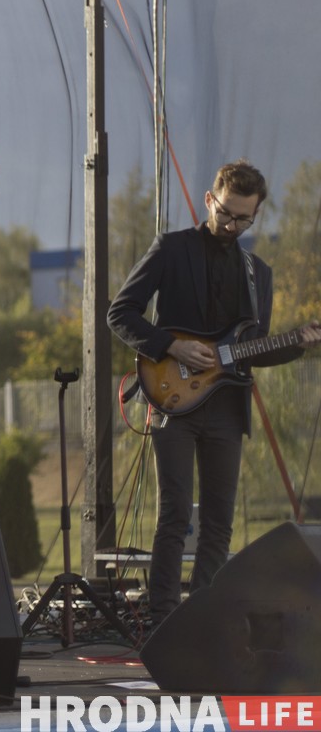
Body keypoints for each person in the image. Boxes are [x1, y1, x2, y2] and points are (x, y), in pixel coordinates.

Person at [107, 160, 321, 629]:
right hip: (174, 399)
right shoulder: (171, 248)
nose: (232, 225)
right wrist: (171, 344)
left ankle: (201, 626)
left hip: (227, 407)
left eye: (244, 218)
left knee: (220, 524)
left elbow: (249, 351)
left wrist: (297, 344)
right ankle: (164, 623)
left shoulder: (257, 272)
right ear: (210, 199)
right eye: (226, 213)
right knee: (175, 514)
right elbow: (120, 313)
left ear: (256, 214)